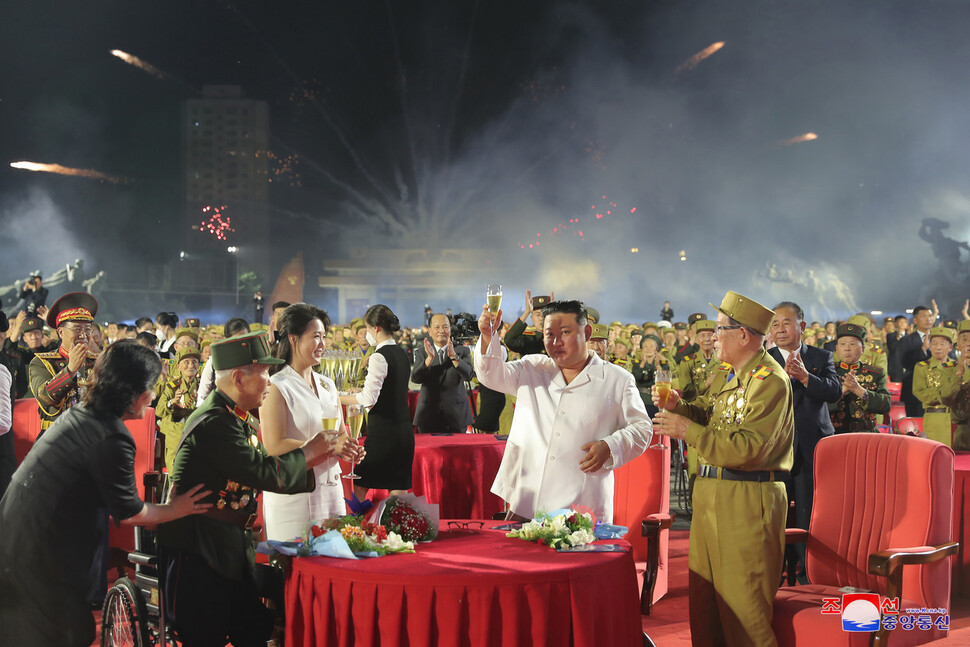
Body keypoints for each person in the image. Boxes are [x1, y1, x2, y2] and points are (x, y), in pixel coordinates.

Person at [0, 341, 211, 647]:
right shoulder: (111, 435)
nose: (152, 396)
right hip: (36, 563)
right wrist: (178, 507)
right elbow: (131, 513)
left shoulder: (82, 415)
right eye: (151, 388)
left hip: (17, 545)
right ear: (138, 396)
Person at [157, 331, 335, 647]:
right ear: (239, 379)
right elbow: (262, 471)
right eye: (265, 373)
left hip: (228, 546)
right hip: (199, 549)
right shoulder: (214, 422)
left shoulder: (235, 418)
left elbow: (265, 462)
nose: (270, 380)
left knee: (252, 628)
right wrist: (311, 452)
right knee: (207, 635)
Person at [652, 290, 793, 647]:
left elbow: (749, 447)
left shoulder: (769, 381)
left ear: (743, 335)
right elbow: (708, 414)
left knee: (745, 610)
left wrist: (688, 431)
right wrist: (680, 407)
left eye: (720, 329)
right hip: (713, 493)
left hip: (748, 497)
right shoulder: (729, 374)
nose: (712, 338)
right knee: (707, 604)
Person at [474, 299, 652, 523]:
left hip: (582, 505)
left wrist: (610, 446)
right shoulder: (533, 369)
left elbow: (642, 428)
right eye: (549, 334)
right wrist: (488, 335)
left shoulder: (617, 379)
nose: (556, 342)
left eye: (565, 332)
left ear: (587, 332)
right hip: (528, 500)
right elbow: (490, 374)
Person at [260, 303, 362, 540]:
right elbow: (274, 445)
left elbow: (340, 433)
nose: (323, 345)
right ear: (293, 339)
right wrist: (327, 446)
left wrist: (348, 448)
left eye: (324, 337)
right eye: (316, 337)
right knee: (298, 561)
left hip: (330, 489)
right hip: (295, 492)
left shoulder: (327, 385)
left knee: (334, 557)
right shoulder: (276, 385)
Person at [767, 300, 840, 585]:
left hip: (813, 448)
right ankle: (779, 569)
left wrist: (806, 377)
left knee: (811, 512)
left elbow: (834, 391)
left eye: (786, 323)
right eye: (775, 324)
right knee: (778, 512)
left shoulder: (821, 357)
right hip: (777, 449)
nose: (780, 329)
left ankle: (810, 571)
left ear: (802, 326)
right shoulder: (764, 360)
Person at [340, 304, 414, 500]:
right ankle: (398, 530)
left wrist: (337, 397)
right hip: (404, 431)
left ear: (377, 328)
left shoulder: (378, 356)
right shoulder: (401, 353)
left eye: (368, 328)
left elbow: (368, 399)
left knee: (360, 484)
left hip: (384, 433)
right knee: (398, 489)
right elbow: (391, 389)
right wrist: (360, 390)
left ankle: (356, 528)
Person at [29, 292, 99, 433]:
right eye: (77, 329)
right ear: (60, 332)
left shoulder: (97, 361)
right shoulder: (42, 362)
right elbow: (45, 399)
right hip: (55, 438)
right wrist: (70, 370)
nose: (84, 335)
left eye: (87, 329)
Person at [410, 312, 475, 434]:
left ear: (450, 329)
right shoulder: (421, 352)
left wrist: (454, 357)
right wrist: (428, 359)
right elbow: (415, 378)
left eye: (445, 327)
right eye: (437, 327)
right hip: (428, 414)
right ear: (429, 331)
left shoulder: (462, 351)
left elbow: (468, 376)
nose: (441, 330)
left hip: (457, 415)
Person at [828, 322, 891, 433]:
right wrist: (841, 392)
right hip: (835, 434)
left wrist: (859, 390)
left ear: (862, 349)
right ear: (836, 349)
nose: (847, 348)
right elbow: (817, 407)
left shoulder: (876, 373)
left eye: (852, 344)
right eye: (842, 344)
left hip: (867, 434)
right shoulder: (827, 372)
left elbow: (885, 405)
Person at [912, 326, 963, 446]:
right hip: (935, 419)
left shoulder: (958, 367)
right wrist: (945, 395)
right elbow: (919, 392)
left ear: (951, 347)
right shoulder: (922, 367)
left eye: (942, 343)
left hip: (957, 418)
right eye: (934, 343)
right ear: (929, 346)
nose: (938, 347)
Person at [157, 347, 203, 473]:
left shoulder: (202, 387)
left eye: (194, 362)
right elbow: (159, 411)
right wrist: (172, 402)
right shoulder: (172, 387)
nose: (190, 366)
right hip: (175, 436)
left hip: (196, 436)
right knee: (176, 474)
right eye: (186, 362)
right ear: (178, 366)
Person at [897, 305, 935, 416]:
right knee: (915, 427)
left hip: (936, 391)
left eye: (930, 316)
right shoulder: (907, 340)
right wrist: (923, 350)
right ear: (915, 320)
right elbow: (905, 362)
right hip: (914, 391)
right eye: (924, 316)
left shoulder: (939, 338)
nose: (928, 319)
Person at [504, 289, 552, 356]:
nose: (541, 318)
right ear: (532, 318)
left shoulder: (558, 338)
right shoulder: (527, 339)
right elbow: (509, 340)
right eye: (538, 315)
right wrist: (527, 312)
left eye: (545, 314)